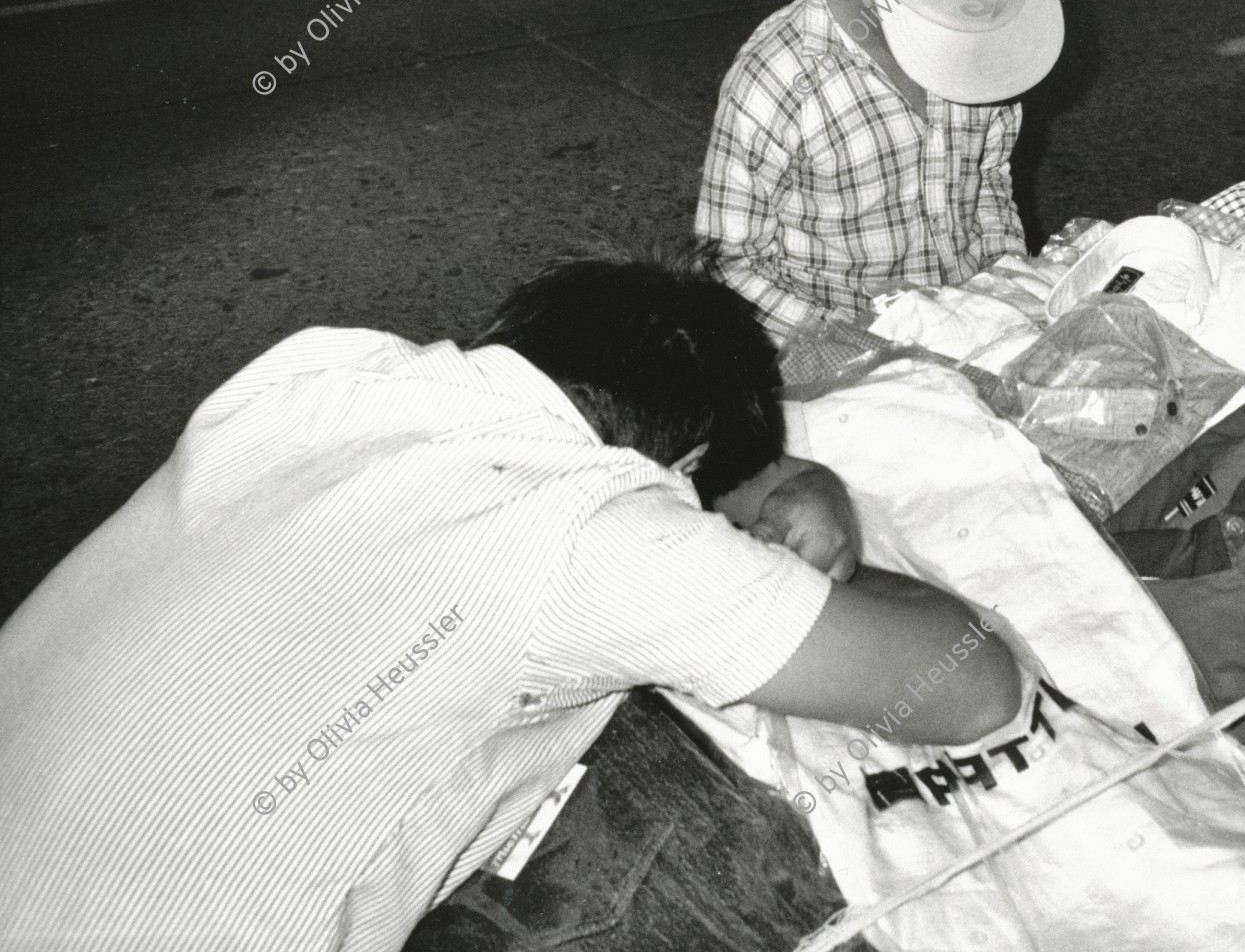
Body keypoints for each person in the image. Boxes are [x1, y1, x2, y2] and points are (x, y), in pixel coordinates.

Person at [0, 255, 1021, 951]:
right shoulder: (591, 535)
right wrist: (802, 528)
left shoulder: (312, 373)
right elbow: (972, 686)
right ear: (693, 466)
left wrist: (773, 478)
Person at [695, 0, 1064, 342]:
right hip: (838, 349)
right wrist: (857, 345)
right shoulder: (780, 79)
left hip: (968, 328)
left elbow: (986, 181)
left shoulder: (989, 42)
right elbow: (727, 262)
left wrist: (1008, 290)